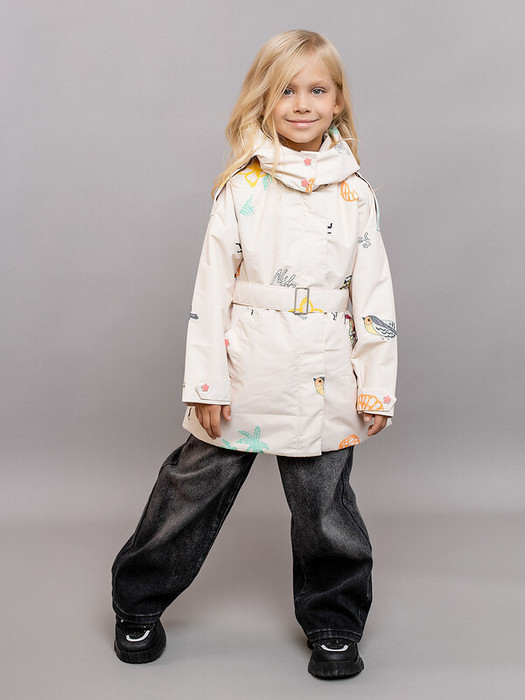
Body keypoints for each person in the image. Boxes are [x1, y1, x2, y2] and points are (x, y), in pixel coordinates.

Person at [111, 29, 397, 680]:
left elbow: (374, 294)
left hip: (324, 373)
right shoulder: (241, 189)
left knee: (326, 512)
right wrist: (205, 384)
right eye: (286, 90)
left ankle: (334, 622)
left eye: (316, 90)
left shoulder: (356, 195)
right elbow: (210, 293)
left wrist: (375, 382)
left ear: (338, 100)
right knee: (187, 494)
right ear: (264, 100)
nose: (302, 104)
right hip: (245, 369)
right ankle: (138, 602)